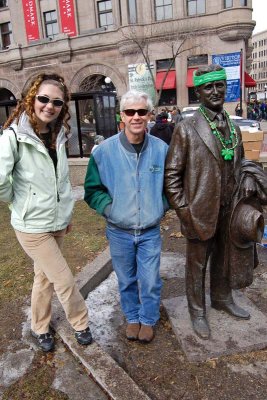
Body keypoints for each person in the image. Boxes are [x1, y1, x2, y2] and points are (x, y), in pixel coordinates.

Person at [164, 64, 267, 340]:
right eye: (208, 87)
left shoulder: (233, 127)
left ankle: (221, 298)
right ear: (198, 91)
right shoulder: (185, 130)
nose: (215, 91)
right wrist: (185, 213)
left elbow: (241, 161)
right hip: (199, 211)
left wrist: (247, 177)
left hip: (230, 208)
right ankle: (197, 311)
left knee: (225, 257)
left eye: (219, 85)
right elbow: (172, 176)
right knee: (197, 265)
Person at [0, 73, 92, 352]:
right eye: (43, 99)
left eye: (56, 102)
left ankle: (39, 327)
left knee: (44, 276)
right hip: (31, 226)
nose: (49, 106)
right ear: (32, 99)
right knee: (63, 279)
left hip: (56, 221)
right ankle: (81, 323)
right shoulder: (13, 135)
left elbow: (61, 181)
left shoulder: (59, 134)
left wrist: (65, 215)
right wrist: (18, 203)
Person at [84, 90, 169, 343]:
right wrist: (111, 209)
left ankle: (149, 319)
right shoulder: (103, 152)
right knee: (126, 278)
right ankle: (132, 316)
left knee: (150, 280)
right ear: (122, 115)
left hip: (149, 231)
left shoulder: (162, 150)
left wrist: (160, 206)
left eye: (141, 111)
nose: (136, 117)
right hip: (119, 231)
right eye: (130, 112)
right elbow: (92, 190)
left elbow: (172, 187)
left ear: (149, 115)